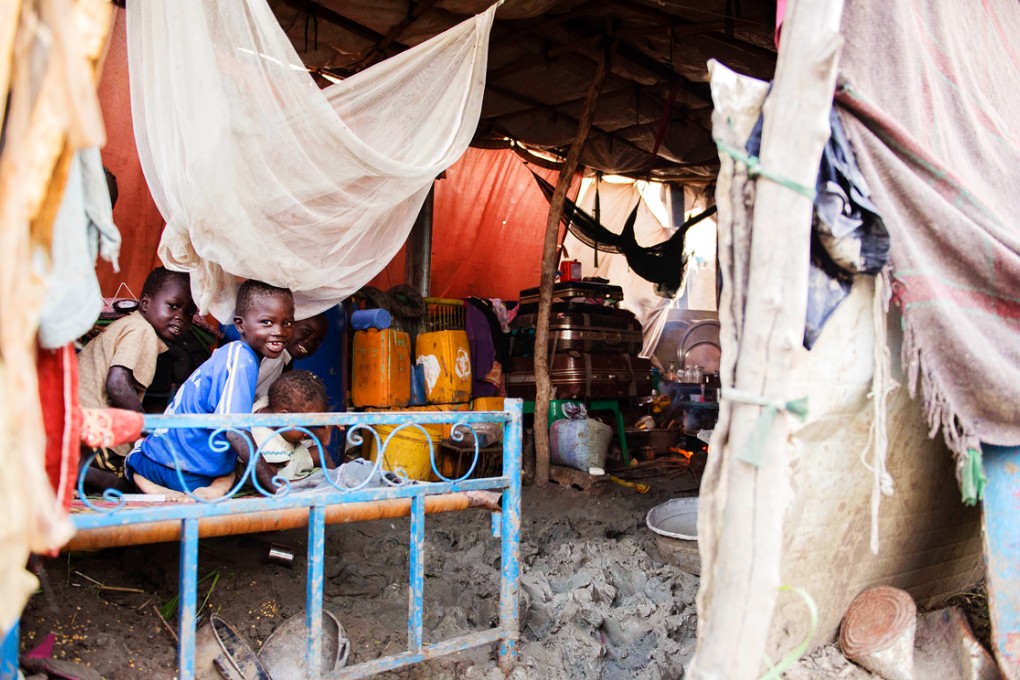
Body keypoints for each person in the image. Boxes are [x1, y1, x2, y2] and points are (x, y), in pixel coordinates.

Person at [126, 280, 294, 501]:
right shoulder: (242, 359)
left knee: (137, 457)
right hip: (189, 472)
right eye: (267, 322)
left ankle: (157, 490)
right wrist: (274, 487)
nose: (279, 331)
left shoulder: (231, 353)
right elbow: (236, 432)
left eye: (288, 323)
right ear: (240, 325)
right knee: (232, 469)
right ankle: (203, 490)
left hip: (154, 462)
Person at [77, 267, 196, 491]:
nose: (181, 317)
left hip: (79, 423)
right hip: (93, 432)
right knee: (135, 480)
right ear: (144, 304)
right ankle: (78, 471)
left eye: (189, 312)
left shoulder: (130, 326)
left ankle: (77, 467)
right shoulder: (142, 331)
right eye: (173, 306)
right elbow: (117, 384)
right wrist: (148, 431)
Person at [251, 370, 333, 482]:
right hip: (272, 473)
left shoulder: (271, 406)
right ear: (285, 417)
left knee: (321, 452)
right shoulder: (264, 440)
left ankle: (335, 481)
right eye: (305, 427)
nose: (307, 433)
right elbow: (271, 482)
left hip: (287, 457)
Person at [254, 312, 328, 400]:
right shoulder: (275, 357)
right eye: (306, 331)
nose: (309, 341)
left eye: (317, 341)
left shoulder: (285, 360)